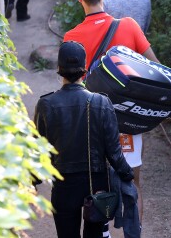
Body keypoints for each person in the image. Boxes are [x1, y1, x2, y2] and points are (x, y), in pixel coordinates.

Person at [63, 0, 160, 236]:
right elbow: (156, 68)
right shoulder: (128, 26)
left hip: (90, 123)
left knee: (96, 186)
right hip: (126, 122)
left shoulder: (71, 38)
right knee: (133, 185)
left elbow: (70, 86)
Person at [34, 41, 134, 238]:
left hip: (63, 183)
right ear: (85, 70)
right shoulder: (101, 102)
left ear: (59, 69)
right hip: (95, 184)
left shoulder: (46, 104)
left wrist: (33, 180)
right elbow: (113, 151)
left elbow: (38, 150)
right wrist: (126, 174)